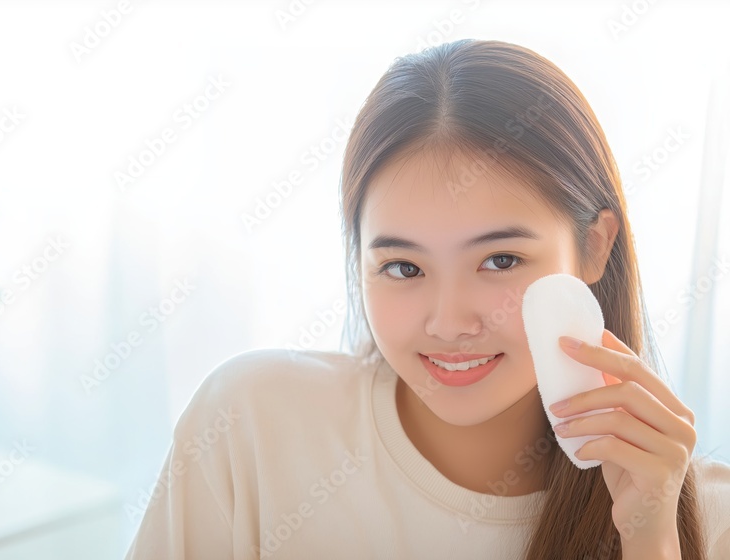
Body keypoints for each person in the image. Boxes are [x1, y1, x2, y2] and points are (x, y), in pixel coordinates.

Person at [124, 39, 730, 559]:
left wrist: (650, 540)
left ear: (594, 248)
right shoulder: (250, 422)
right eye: (403, 266)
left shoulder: (707, 518)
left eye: (500, 260)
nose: (448, 322)